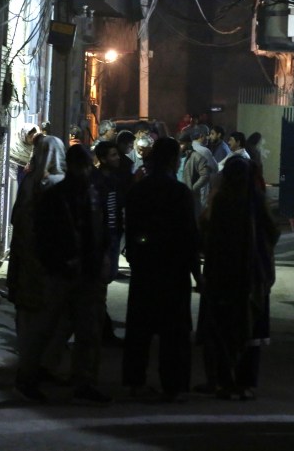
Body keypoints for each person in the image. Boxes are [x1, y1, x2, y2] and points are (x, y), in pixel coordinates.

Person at [122, 138, 201, 402]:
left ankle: (135, 382)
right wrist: (197, 273)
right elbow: (189, 235)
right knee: (174, 331)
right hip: (173, 268)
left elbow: (131, 230)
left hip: (146, 267)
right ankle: (173, 385)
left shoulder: (138, 190)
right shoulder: (179, 193)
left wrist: (136, 255)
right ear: (173, 160)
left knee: (140, 328)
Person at [32, 144, 111, 403]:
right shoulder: (58, 196)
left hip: (85, 272)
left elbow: (98, 232)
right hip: (64, 271)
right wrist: (57, 263)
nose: (84, 171)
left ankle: (83, 381)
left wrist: (99, 260)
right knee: (51, 326)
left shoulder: (90, 193)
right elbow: (44, 236)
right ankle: (31, 376)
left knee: (86, 330)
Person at [197, 156, 278, 400]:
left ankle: (223, 382)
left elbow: (207, 236)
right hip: (253, 278)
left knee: (222, 330)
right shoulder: (255, 200)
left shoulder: (221, 201)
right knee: (251, 330)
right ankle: (246, 384)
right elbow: (272, 233)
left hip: (224, 276)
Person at [9, 135, 68, 399]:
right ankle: (32, 374)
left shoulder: (29, 181)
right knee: (48, 321)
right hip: (47, 264)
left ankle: (30, 370)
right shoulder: (56, 184)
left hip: (24, 261)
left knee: (28, 320)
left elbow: (15, 219)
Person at [92, 141, 126, 346]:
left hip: (112, 235)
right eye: (113, 155)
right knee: (99, 284)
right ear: (103, 159)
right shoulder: (96, 181)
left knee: (103, 282)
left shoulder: (113, 180)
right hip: (103, 237)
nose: (117, 158)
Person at [182, 125, 218, 217]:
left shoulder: (187, 149)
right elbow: (214, 168)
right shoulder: (204, 151)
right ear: (201, 136)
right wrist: (194, 188)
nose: (209, 137)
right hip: (199, 190)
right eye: (207, 135)